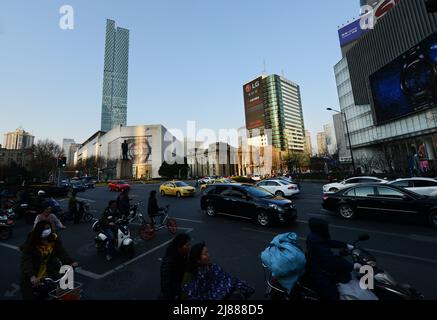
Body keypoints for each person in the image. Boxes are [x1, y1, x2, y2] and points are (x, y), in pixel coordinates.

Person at [20, 221, 78, 300]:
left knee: (55, 291)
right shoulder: (32, 242)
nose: (47, 230)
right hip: (33, 274)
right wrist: (32, 276)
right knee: (29, 296)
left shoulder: (53, 238)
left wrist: (70, 262)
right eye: (44, 229)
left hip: (48, 272)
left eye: (48, 228)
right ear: (39, 230)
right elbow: (26, 261)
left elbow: (61, 252)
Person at [181, 242, 255, 300]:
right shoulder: (192, 275)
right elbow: (193, 295)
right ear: (198, 259)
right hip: (218, 295)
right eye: (205, 254)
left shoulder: (212, 266)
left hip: (225, 290)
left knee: (244, 288)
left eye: (207, 252)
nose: (208, 255)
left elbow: (226, 277)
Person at [305, 218, 353, 300]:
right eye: (325, 227)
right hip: (319, 272)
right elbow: (329, 259)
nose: (327, 229)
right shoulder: (316, 240)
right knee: (333, 296)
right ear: (320, 228)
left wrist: (345, 245)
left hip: (319, 265)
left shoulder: (316, 235)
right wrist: (351, 266)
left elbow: (328, 242)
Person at [160, 233, 192, 300]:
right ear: (179, 247)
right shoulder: (169, 261)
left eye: (190, 244)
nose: (190, 247)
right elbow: (166, 283)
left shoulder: (184, 256)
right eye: (187, 245)